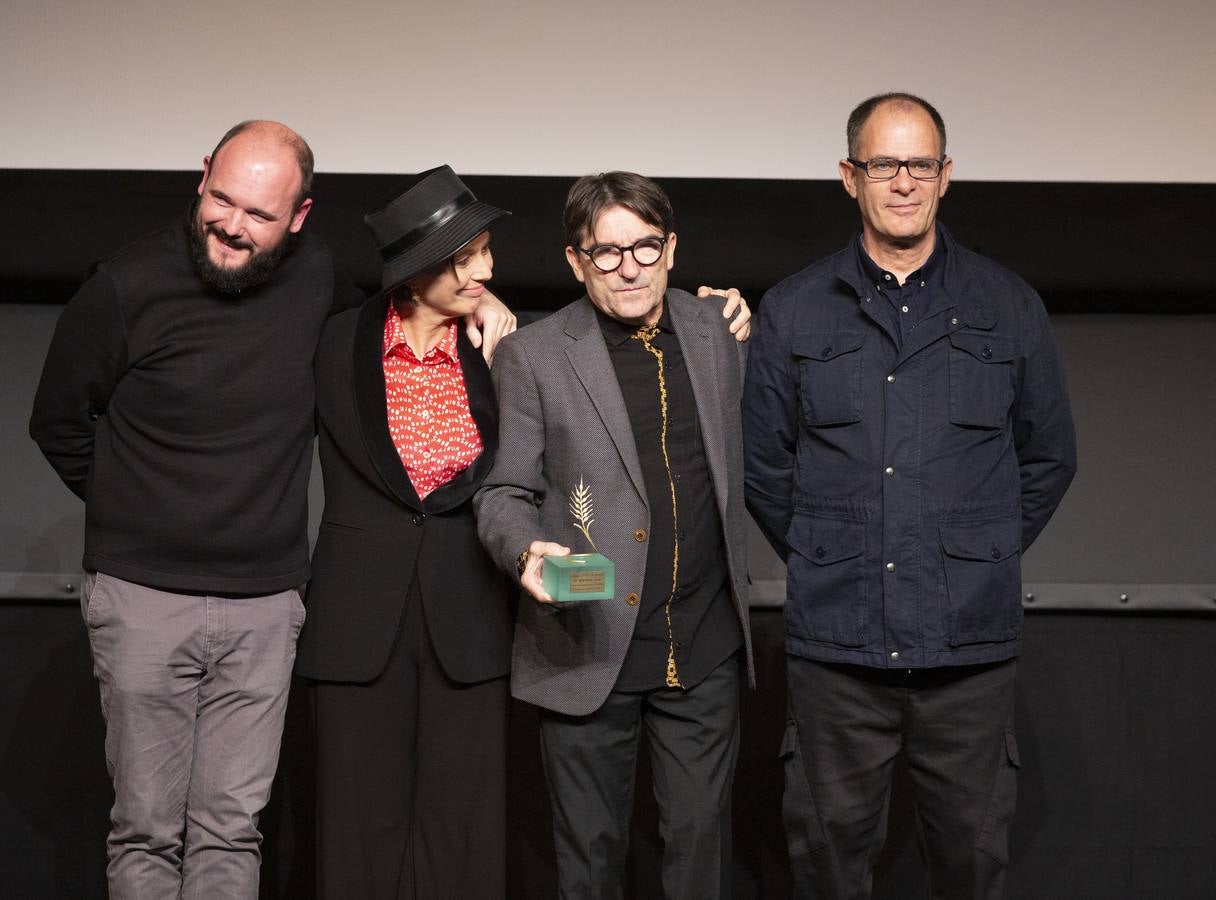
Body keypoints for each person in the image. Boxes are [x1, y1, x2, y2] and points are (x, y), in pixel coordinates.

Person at [27, 124, 512, 899]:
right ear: (201, 180)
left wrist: (482, 308)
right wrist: (135, 509)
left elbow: (405, 314)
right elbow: (57, 422)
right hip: (144, 596)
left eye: (258, 213)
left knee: (231, 830)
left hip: (265, 606)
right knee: (148, 831)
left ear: (298, 217)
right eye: (221, 199)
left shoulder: (317, 280)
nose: (231, 224)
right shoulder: (124, 285)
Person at [744, 93, 1077, 897]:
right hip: (837, 652)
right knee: (826, 864)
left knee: (971, 863)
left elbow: (1048, 458)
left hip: (968, 653)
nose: (903, 183)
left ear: (946, 175)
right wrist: (836, 556)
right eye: (883, 164)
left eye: (919, 164)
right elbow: (765, 468)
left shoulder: (1008, 305)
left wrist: (975, 552)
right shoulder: (794, 308)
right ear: (849, 176)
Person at [475, 171, 754, 899]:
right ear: (576, 261)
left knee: (699, 854)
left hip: (702, 644)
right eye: (607, 252)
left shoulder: (716, 332)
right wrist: (524, 549)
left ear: (671, 249)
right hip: (586, 643)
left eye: (645, 246)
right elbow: (504, 490)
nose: (629, 266)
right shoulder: (534, 356)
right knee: (590, 863)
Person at [294, 166, 517, 899]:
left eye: (485, 250)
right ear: (416, 270)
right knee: (356, 830)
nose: (484, 268)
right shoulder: (332, 345)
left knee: (464, 829)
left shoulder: (503, 351)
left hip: (470, 618)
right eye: (464, 255)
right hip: (357, 620)